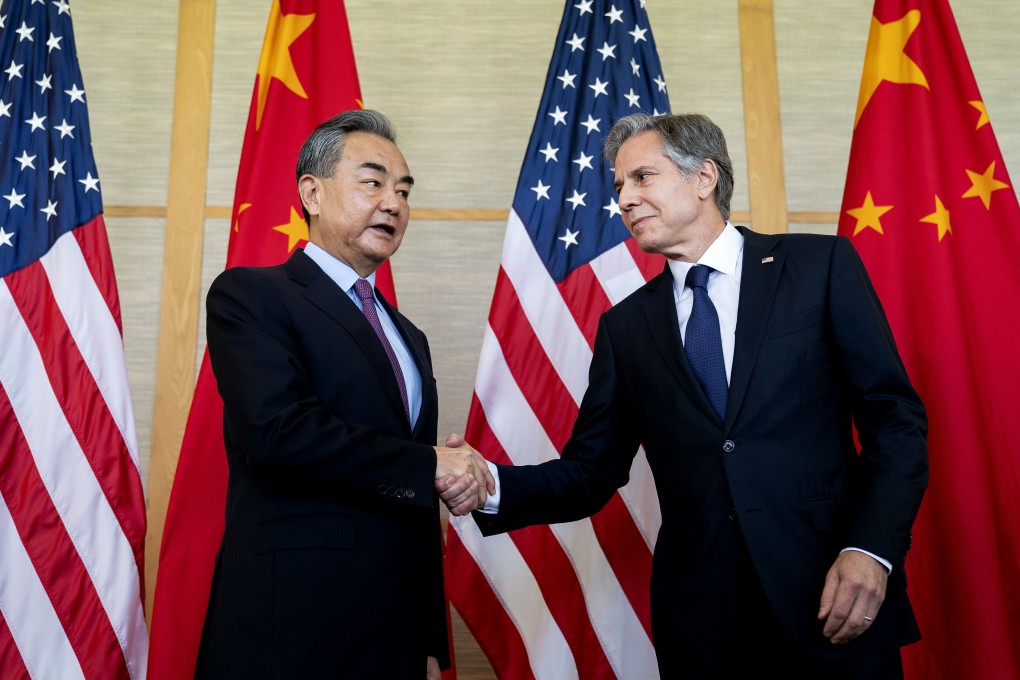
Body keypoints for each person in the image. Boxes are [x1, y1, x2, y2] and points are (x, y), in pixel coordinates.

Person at [447, 113, 928, 678]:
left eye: (641, 178)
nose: (624, 199)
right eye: (619, 185)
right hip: (705, 625)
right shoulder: (625, 328)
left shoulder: (818, 267)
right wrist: (492, 482)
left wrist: (871, 550)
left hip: (833, 598)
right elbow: (590, 472)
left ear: (703, 178)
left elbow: (894, 420)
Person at [195, 109, 493, 679]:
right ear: (312, 191)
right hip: (293, 628)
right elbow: (279, 432)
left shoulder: (410, 337)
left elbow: (412, 501)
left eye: (403, 190)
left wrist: (430, 639)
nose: (393, 203)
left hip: (395, 637)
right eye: (373, 182)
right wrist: (429, 461)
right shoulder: (252, 295)